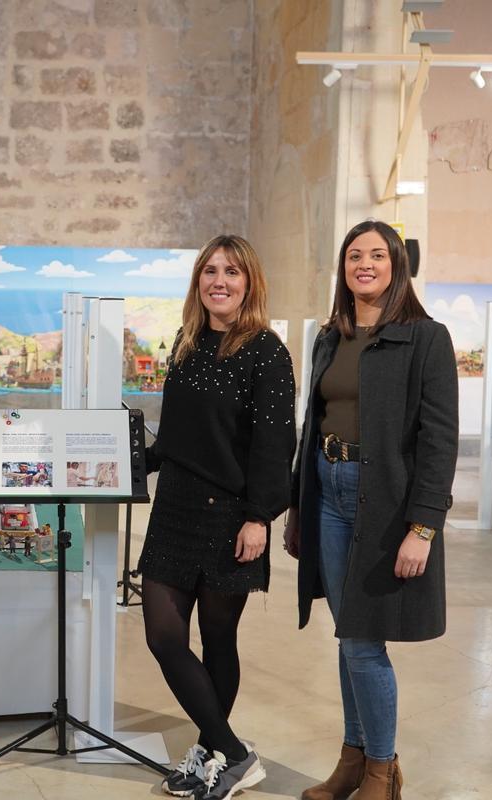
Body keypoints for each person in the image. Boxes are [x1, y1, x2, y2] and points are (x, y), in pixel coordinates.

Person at [284, 220, 458, 800]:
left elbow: (439, 440)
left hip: (384, 501)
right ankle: (354, 759)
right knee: (349, 632)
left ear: (395, 266)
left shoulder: (426, 338)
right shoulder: (329, 337)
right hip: (327, 489)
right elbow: (312, 427)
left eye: (376, 255)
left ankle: (381, 772)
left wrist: (423, 527)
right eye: (354, 255)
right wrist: (298, 506)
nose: (364, 264)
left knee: (363, 639)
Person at [139, 234, 296, 800]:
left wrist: (260, 518)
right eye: (210, 270)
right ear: (198, 281)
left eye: (231, 271)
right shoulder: (186, 342)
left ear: (249, 282)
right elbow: (180, 435)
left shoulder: (266, 351)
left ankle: (211, 758)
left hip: (230, 516)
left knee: (218, 639)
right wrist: (124, 460)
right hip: (175, 508)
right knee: (162, 635)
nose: (219, 280)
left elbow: (276, 446)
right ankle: (232, 751)